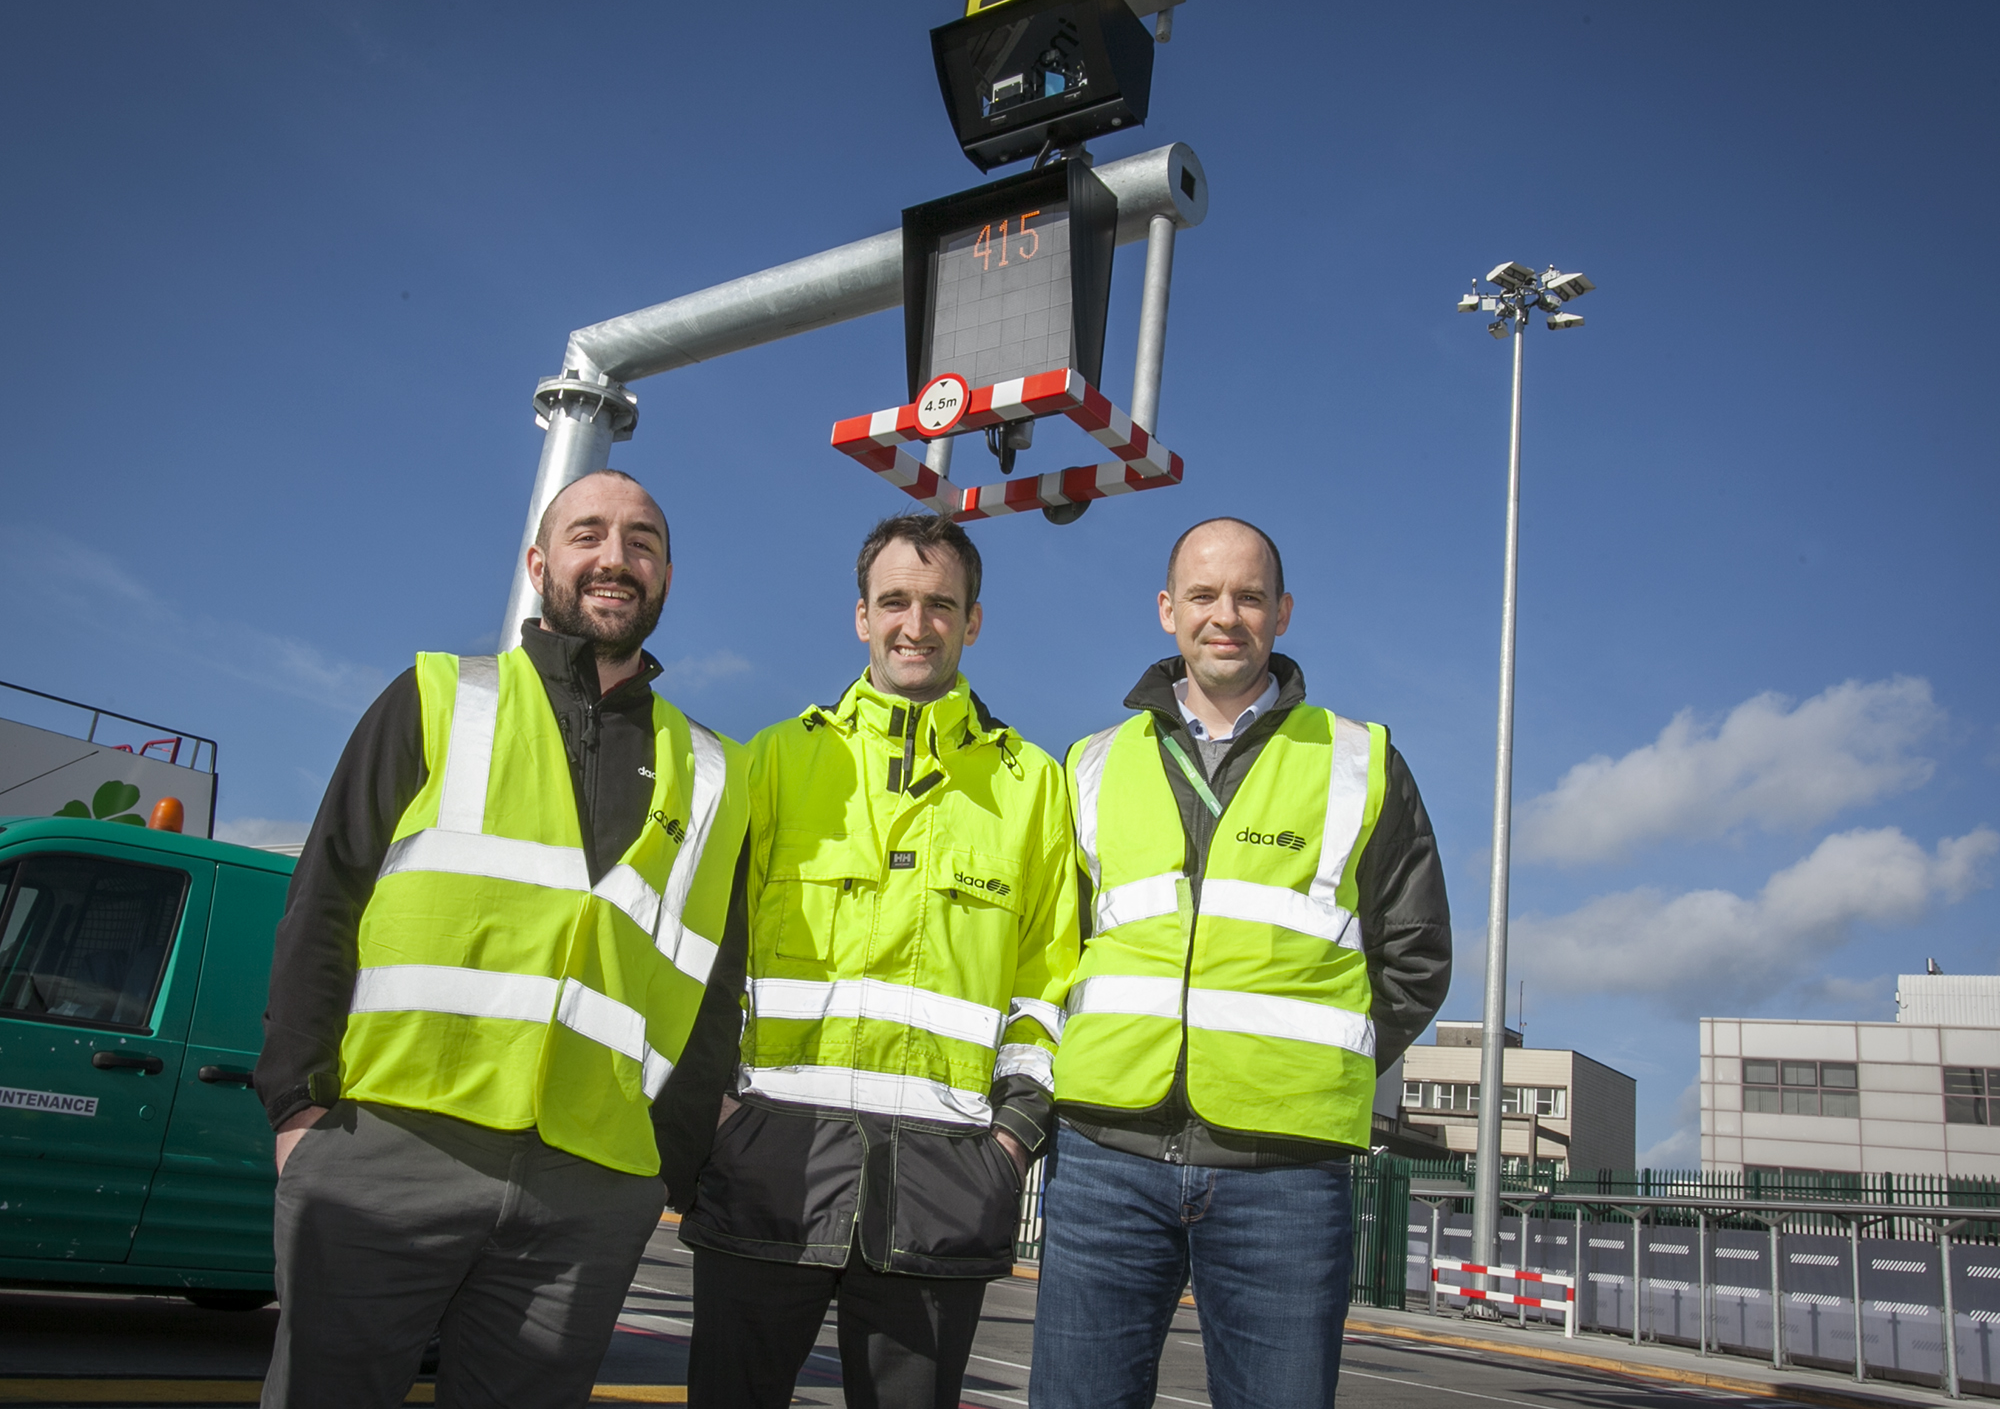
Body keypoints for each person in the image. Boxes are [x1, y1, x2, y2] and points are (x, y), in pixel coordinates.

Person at [254, 469, 752, 1409]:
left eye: (642, 542)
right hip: (388, 1142)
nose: (616, 558)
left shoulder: (717, 772)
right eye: (588, 535)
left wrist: (661, 1170)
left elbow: (712, 992)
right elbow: (325, 900)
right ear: (539, 563)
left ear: (667, 577)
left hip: (591, 1184)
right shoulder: (438, 697)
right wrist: (298, 1111)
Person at [1029, 517, 1452, 1409]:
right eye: (1205, 595)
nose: (1227, 616)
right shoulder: (1090, 766)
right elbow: (1051, 949)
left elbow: (1417, 956)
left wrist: (1310, 1073)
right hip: (1105, 1157)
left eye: (1250, 596)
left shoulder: (1361, 761)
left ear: (1283, 612)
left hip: (1285, 1175)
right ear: (1166, 610)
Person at [679, 513, 1077, 1409]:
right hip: (766, 1164)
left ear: (973, 622)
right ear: (861, 616)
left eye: (941, 604)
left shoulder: (1033, 786)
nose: (916, 623)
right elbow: (704, 953)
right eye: (894, 600)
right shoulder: (776, 759)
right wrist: (717, 1114)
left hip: (945, 1186)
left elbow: (1050, 988)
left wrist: (1010, 1145)